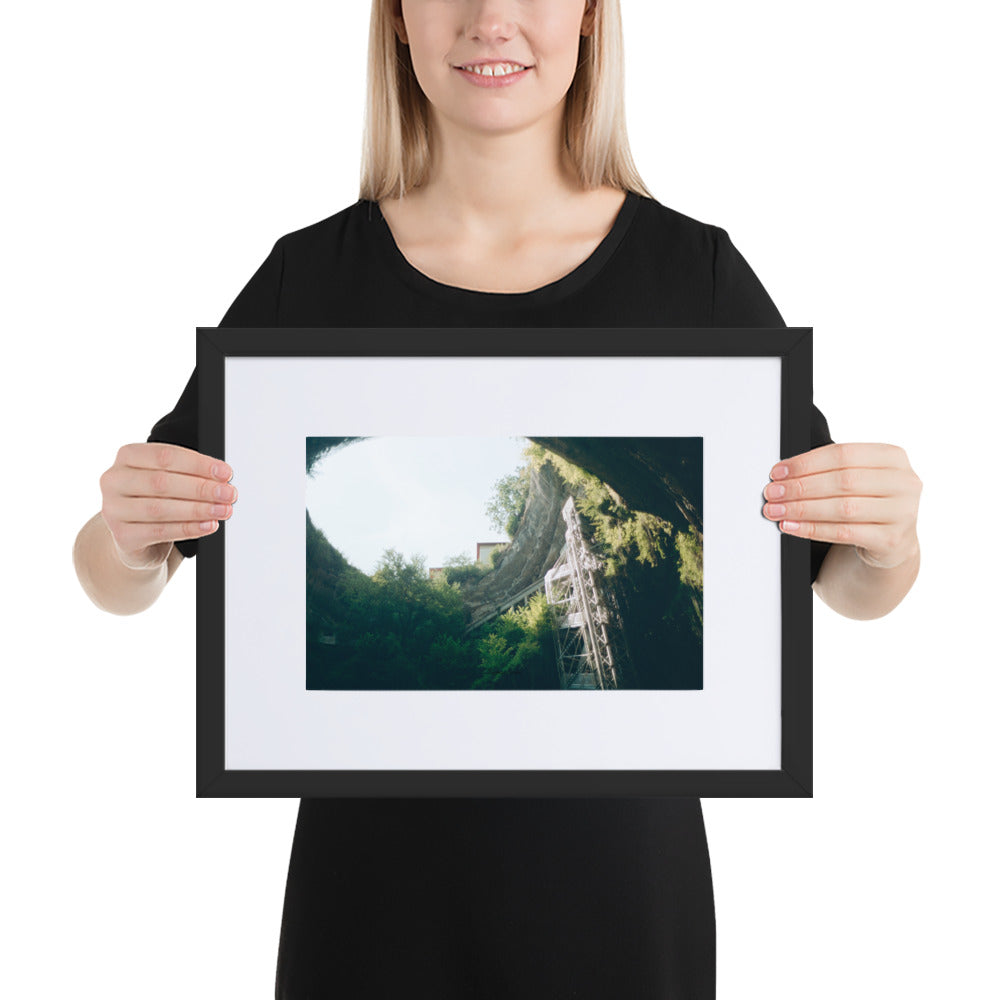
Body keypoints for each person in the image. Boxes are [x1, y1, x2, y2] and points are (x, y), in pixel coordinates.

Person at [73, 1, 922, 996]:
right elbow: (119, 574)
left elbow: (840, 580)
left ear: (592, 18)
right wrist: (128, 538)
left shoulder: (692, 279)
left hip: (621, 905)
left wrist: (887, 541)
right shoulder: (309, 282)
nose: (491, 19)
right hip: (371, 909)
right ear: (396, 20)